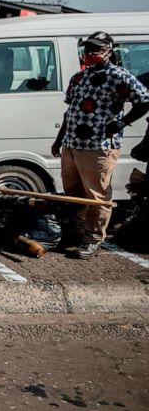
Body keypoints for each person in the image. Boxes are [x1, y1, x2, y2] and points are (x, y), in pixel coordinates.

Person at [52, 32, 149, 259]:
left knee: (96, 195)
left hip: (100, 144)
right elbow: (70, 111)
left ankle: (93, 239)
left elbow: (144, 101)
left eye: (96, 49)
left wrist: (122, 122)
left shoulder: (119, 76)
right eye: (87, 49)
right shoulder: (79, 77)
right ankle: (73, 234)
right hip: (72, 143)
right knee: (73, 194)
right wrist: (59, 140)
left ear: (108, 51)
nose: (90, 53)